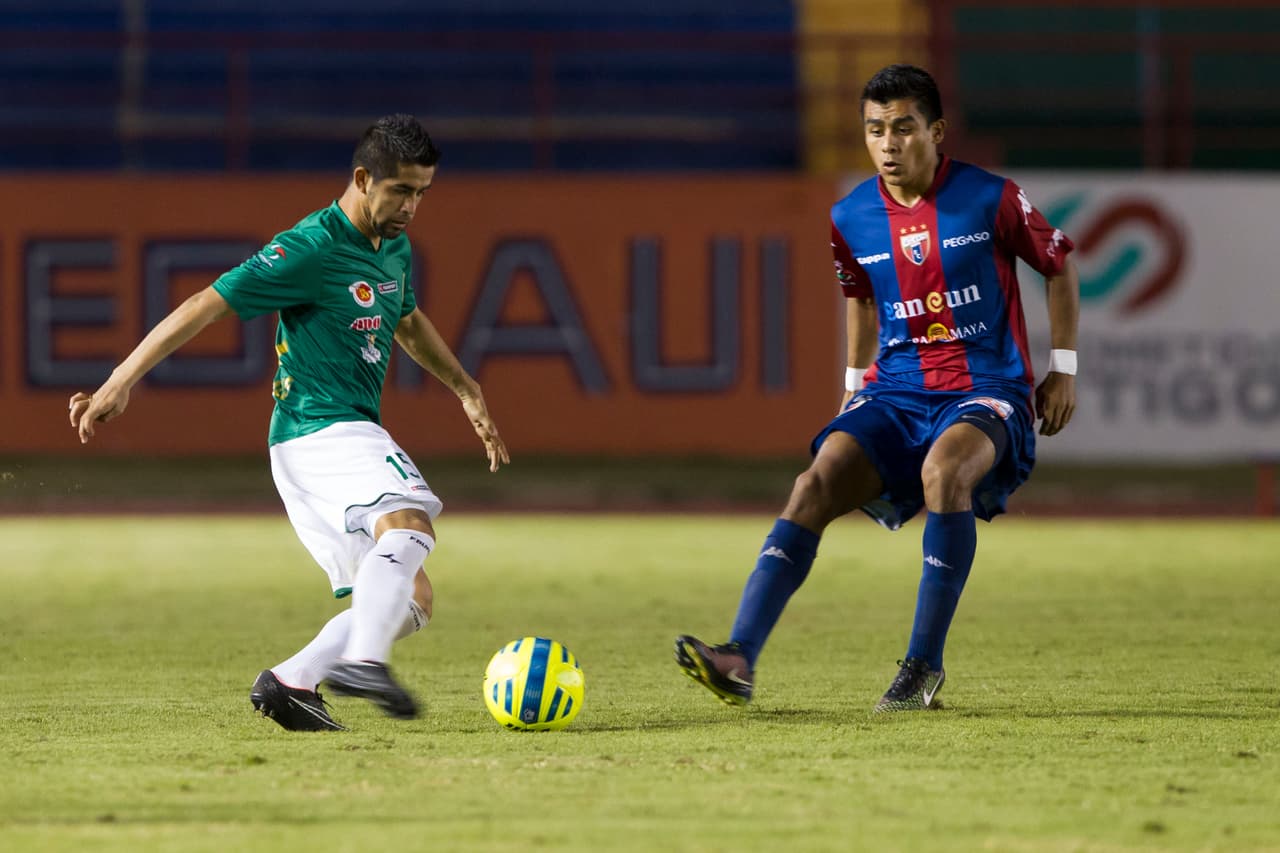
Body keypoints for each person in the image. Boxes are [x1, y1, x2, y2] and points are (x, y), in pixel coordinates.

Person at [69, 114, 509, 731]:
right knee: (409, 522)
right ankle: (363, 661)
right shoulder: (311, 247)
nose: (412, 206)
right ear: (363, 178)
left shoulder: (393, 247)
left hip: (319, 441)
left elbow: (406, 321)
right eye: (401, 190)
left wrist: (465, 387)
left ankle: (291, 681)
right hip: (321, 428)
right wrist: (120, 380)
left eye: (422, 193)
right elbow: (205, 304)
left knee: (412, 598)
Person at [674, 64, 1079, 713]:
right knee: (813, 482)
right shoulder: (851, 216)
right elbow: (859, 299)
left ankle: (923, 665)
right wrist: (853, 387)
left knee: (945, 473)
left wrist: (1063, 367)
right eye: (874, 130)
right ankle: (739, 655)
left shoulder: (990, 197)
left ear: (936, 131)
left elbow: (1058, 264)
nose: (888, 143)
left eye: (902, 128)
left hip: (985, 389)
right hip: (894, 392)